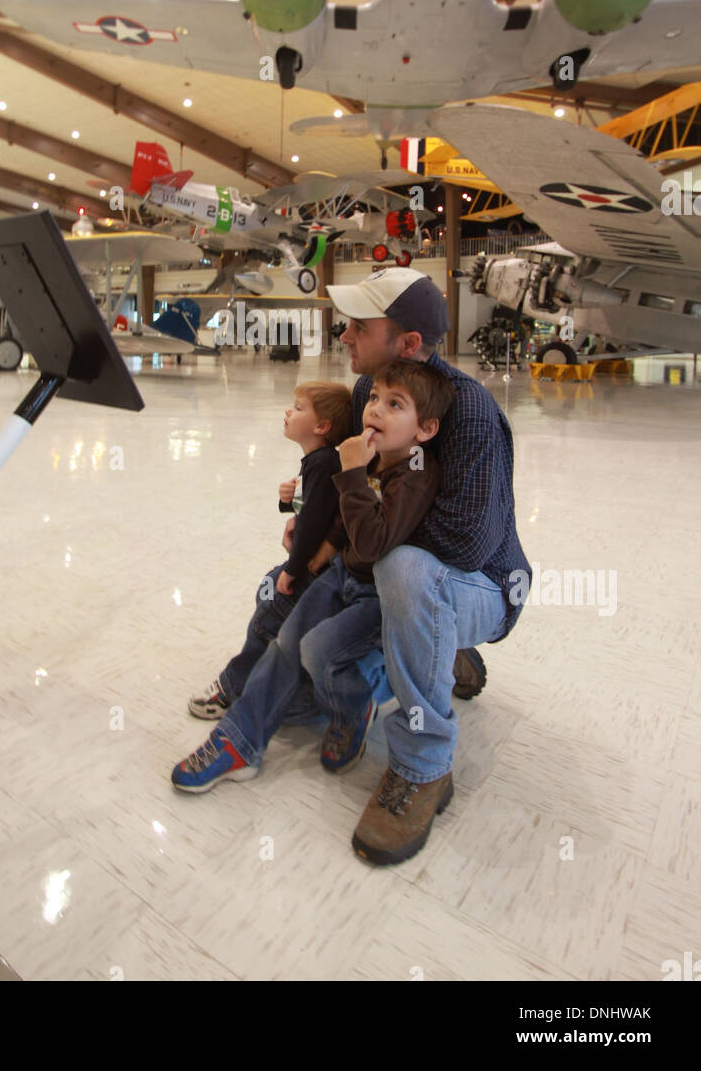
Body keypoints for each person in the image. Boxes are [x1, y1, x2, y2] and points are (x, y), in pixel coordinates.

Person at [316, 268, 531, 865]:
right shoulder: (370, 393)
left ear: (409, 344)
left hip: (485, 583)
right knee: (366, 566)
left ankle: (422, 767)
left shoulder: (472, 414)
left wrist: (376, 529)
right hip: (413, 568)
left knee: (404, 571)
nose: (346, 335)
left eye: (361, 326)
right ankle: (433, 645)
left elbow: (468, 542)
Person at [172, 360, 453, 794]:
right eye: (374, 398)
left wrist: (356, 472)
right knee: (286, 643)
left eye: (395, 404)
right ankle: (238, 744)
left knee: (317, 650)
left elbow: (375, 540)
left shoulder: (416, 472)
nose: (376, 410)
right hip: (342, 572)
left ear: (426, 430)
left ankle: (352, 706)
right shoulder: (373, 455)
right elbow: (344, 518)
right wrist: (320, 553)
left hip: (376, 594)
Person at [188, 381, 352, 720]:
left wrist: (292, 569)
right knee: (267, 601)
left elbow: (312, 525)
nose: (288, 412)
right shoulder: (315, 462)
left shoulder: (323, 464)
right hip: (308, 563)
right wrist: (286, 501)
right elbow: (309, 513)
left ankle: (232, 688)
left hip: (311, 569)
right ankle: (266, 675)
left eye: (299, 408)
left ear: (322, 427)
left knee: (268, 614)